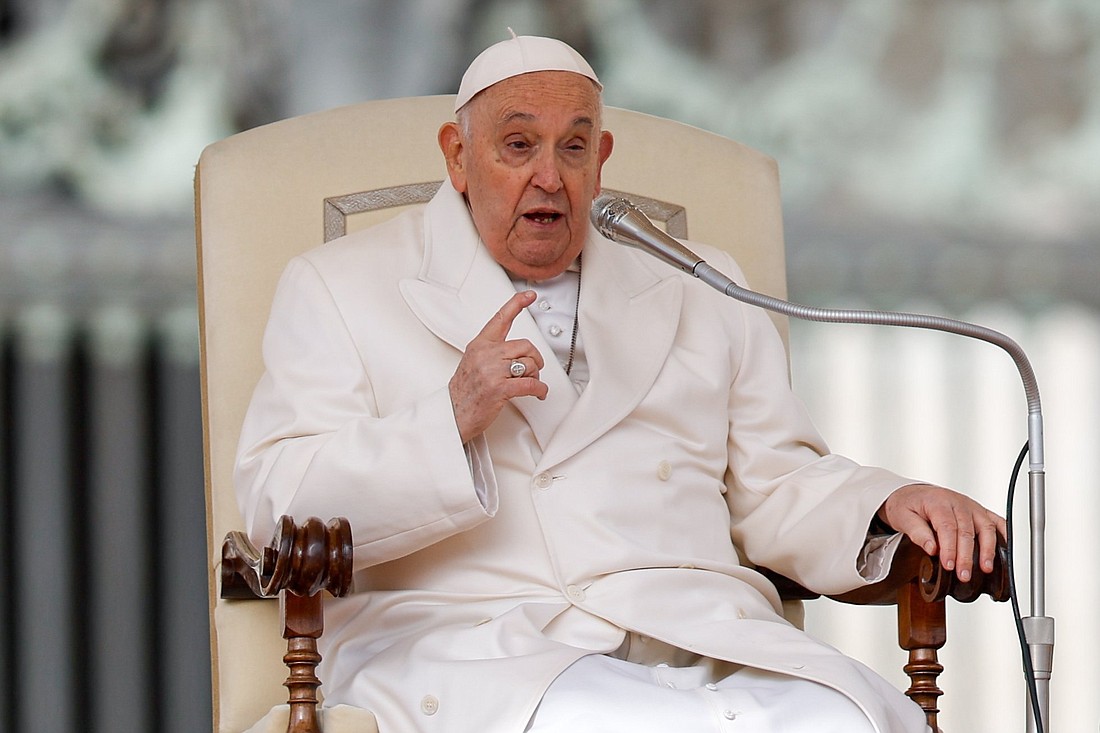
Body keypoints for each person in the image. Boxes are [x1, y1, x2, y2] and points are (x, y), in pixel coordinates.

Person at [235, 33, 1005, 733]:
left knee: (847, 719)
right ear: (456, 154)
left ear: (601, 158)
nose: (548, 176)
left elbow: (778, 485)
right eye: (517, 144)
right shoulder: (339, 285)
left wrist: (881, 503)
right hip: (482, 651)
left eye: (573, 148)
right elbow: (281, 505)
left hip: (699, 640)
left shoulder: (701, 284)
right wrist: (449, 418)